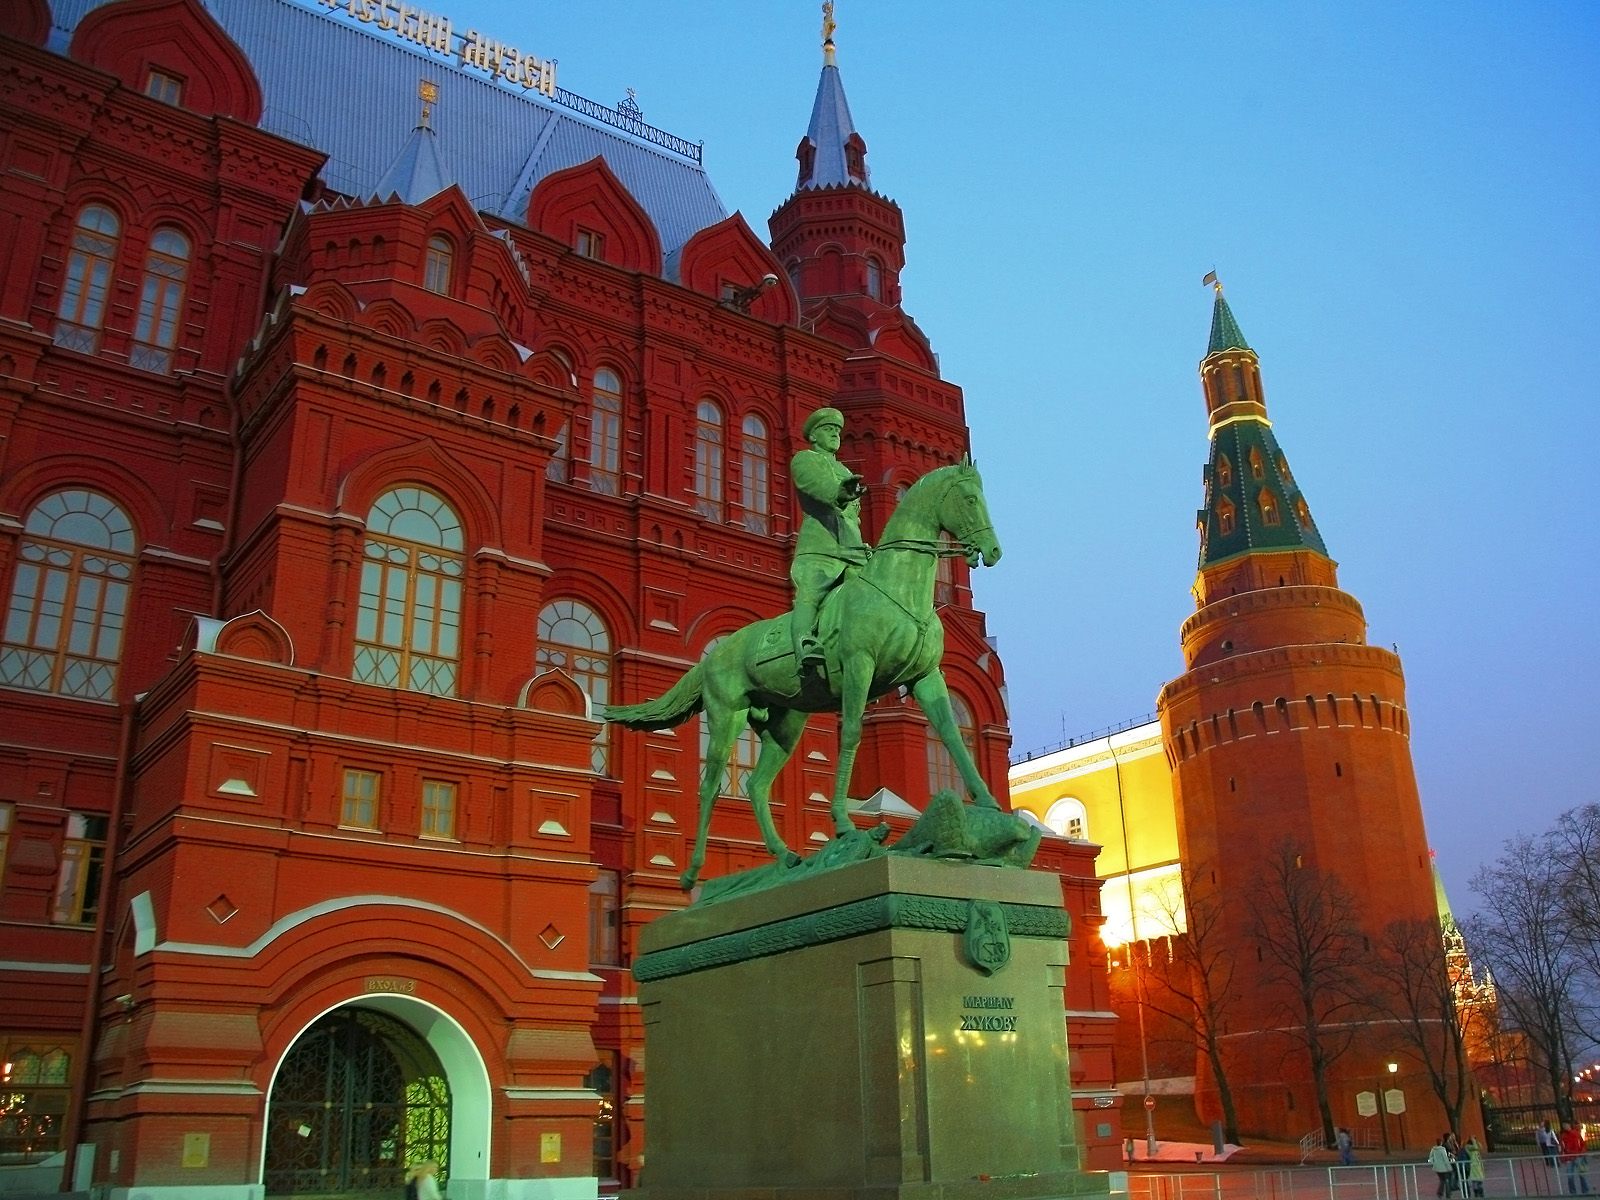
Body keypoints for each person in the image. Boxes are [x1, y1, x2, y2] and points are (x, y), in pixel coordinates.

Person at [788, 407, 868, 670]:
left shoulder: (845, 471)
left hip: (853, 552)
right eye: (828, 430)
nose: (835, 435)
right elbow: (816, 487)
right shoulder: (805, 460)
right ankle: (804, 647)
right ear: (813, 436)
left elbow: (852, 518)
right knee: (810, 594)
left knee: (874, 594)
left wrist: (861, 544)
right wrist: (839, 493)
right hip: (819, 547)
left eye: (837, 431)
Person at [1559, 1123, 1590, 1195]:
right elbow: (1561, 1147)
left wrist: (1582, 1153)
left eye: (1566, 1125)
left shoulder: (1576, 1134)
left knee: (1581, 1174)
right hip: (1569, 1158)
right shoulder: (1563, 1136)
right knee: (1570, 1176)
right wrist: (1562, 1157)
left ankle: (1585, 1190)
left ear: (1569, 1126)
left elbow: (1582, 1144)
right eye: (1564, 1126)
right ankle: (1573, 1192)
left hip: (1577, 1156)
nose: (1565, 1127)